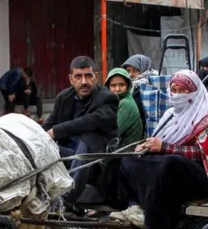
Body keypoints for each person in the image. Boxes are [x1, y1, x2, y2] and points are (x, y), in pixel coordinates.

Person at [111, 71, 208, 229]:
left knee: (169, 163)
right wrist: (146, 147)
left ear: (193, 92)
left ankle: (158, 225)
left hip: (206, 175)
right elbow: (160, 139)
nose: (177, 95)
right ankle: (134, 207)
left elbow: (207, 155)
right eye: (174, 90)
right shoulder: (171, 113)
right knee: (127, 160)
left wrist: (164, 147)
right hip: (173, 167)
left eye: (182, 91)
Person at [42, 56, 119, 204]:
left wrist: (55, 131)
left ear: (95, 77)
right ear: (71, 79)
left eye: (88, 76)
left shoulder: (108, 99)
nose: (84, 81)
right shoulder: (64, 97)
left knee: (88, 135)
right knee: (41, 144)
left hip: (95, 163)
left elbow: (90, 121)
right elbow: (48, 125)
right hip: (68, 157)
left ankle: (67, 199)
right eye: (78, 76)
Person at [104, 68, 143, 148]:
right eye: (113, 85)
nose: (117, 89)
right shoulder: (115, 101)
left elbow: (110, 133)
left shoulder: (126, 103)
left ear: (128, 86)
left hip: (124, 153)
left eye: (121, 85)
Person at [122, 54, 158, 132]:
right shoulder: (131, 86)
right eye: (128, 71)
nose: (130, 74)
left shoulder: (144, 86)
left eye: (135, 71)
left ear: (143, 70)